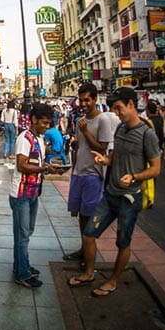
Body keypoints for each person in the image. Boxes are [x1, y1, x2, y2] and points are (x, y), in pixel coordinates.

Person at [68, 87, 161, 297]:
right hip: (110, 194)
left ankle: (113, 280)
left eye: (119, 108)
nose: (116, 113)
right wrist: (105, 161)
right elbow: (113, 156)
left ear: (131, 104)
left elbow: (155, 168)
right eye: (114, 108)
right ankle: (89, 272)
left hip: (130, 197)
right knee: (89, 233)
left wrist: (135, 177)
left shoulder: (147, 134)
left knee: (123, 242)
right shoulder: (120, 130)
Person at [10, 103, 65, 288]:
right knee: (23, 234)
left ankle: (21, 266)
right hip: (21, 194)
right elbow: (21, 165)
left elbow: (37, 164)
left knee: (26, 232)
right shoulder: (24, 138)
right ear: (34, 119)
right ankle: (22, 274)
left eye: (49, 123)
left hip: (33, 192)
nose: (47, 126)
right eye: (44, 122)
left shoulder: (39, 139)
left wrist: (50, 169)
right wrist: (44, 168)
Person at [62, 83, 115, 264]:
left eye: (87, 100)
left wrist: (85, 131)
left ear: (94, 99)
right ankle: (84, 250)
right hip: (79, 172)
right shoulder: (81, 120)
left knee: (90, 217)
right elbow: (80, 148)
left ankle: (89, 256)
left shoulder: (103, 121)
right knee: (81, 216)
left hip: (93, 174)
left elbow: (102, 148)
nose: (83, 104)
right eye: (81, 100)